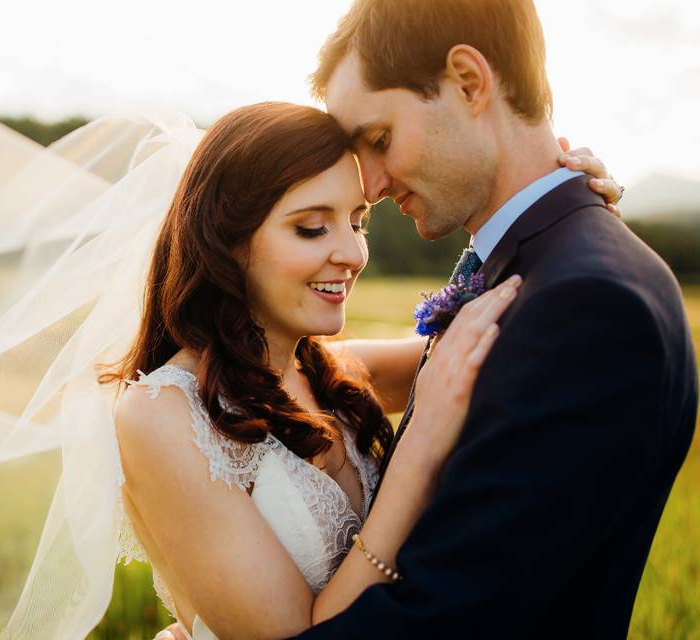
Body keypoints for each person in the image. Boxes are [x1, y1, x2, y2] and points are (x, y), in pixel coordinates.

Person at [111, 101, 625, 640]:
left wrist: (564, 218)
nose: (353, 253)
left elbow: (488, 337)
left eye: (357, 222)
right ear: (227, 241)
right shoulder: (162, 415)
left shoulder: (331, 372)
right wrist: (422, 440)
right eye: (312, 228)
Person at [279, 0, 697, 637]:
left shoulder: (587, 306)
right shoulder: (529, 263)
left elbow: (445, 620)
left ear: (469, 82)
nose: (370, 185)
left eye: (380, 140)